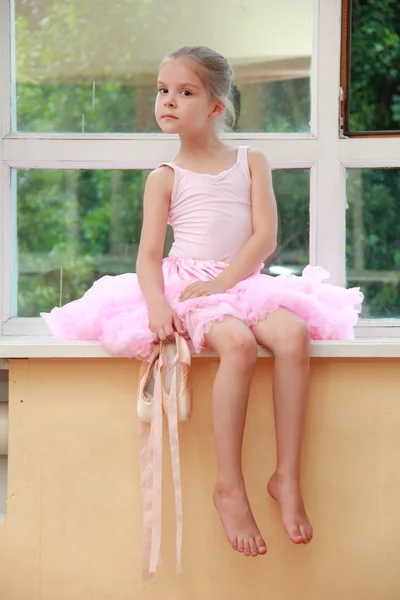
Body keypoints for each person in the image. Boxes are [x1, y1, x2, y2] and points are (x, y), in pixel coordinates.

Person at [41, 45, 363, 559]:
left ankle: (286, 476)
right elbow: (148, 257)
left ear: (216, 108)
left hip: (243, 277)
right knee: (234, 343)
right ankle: (229, 486)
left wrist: (228, 281)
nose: (168, 100)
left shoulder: (250, 162)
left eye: (184, 92)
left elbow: (264, 237)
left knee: (293, 334)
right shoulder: (163, 177)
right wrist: (157, 306)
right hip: (189, 284)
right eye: (163, 90)